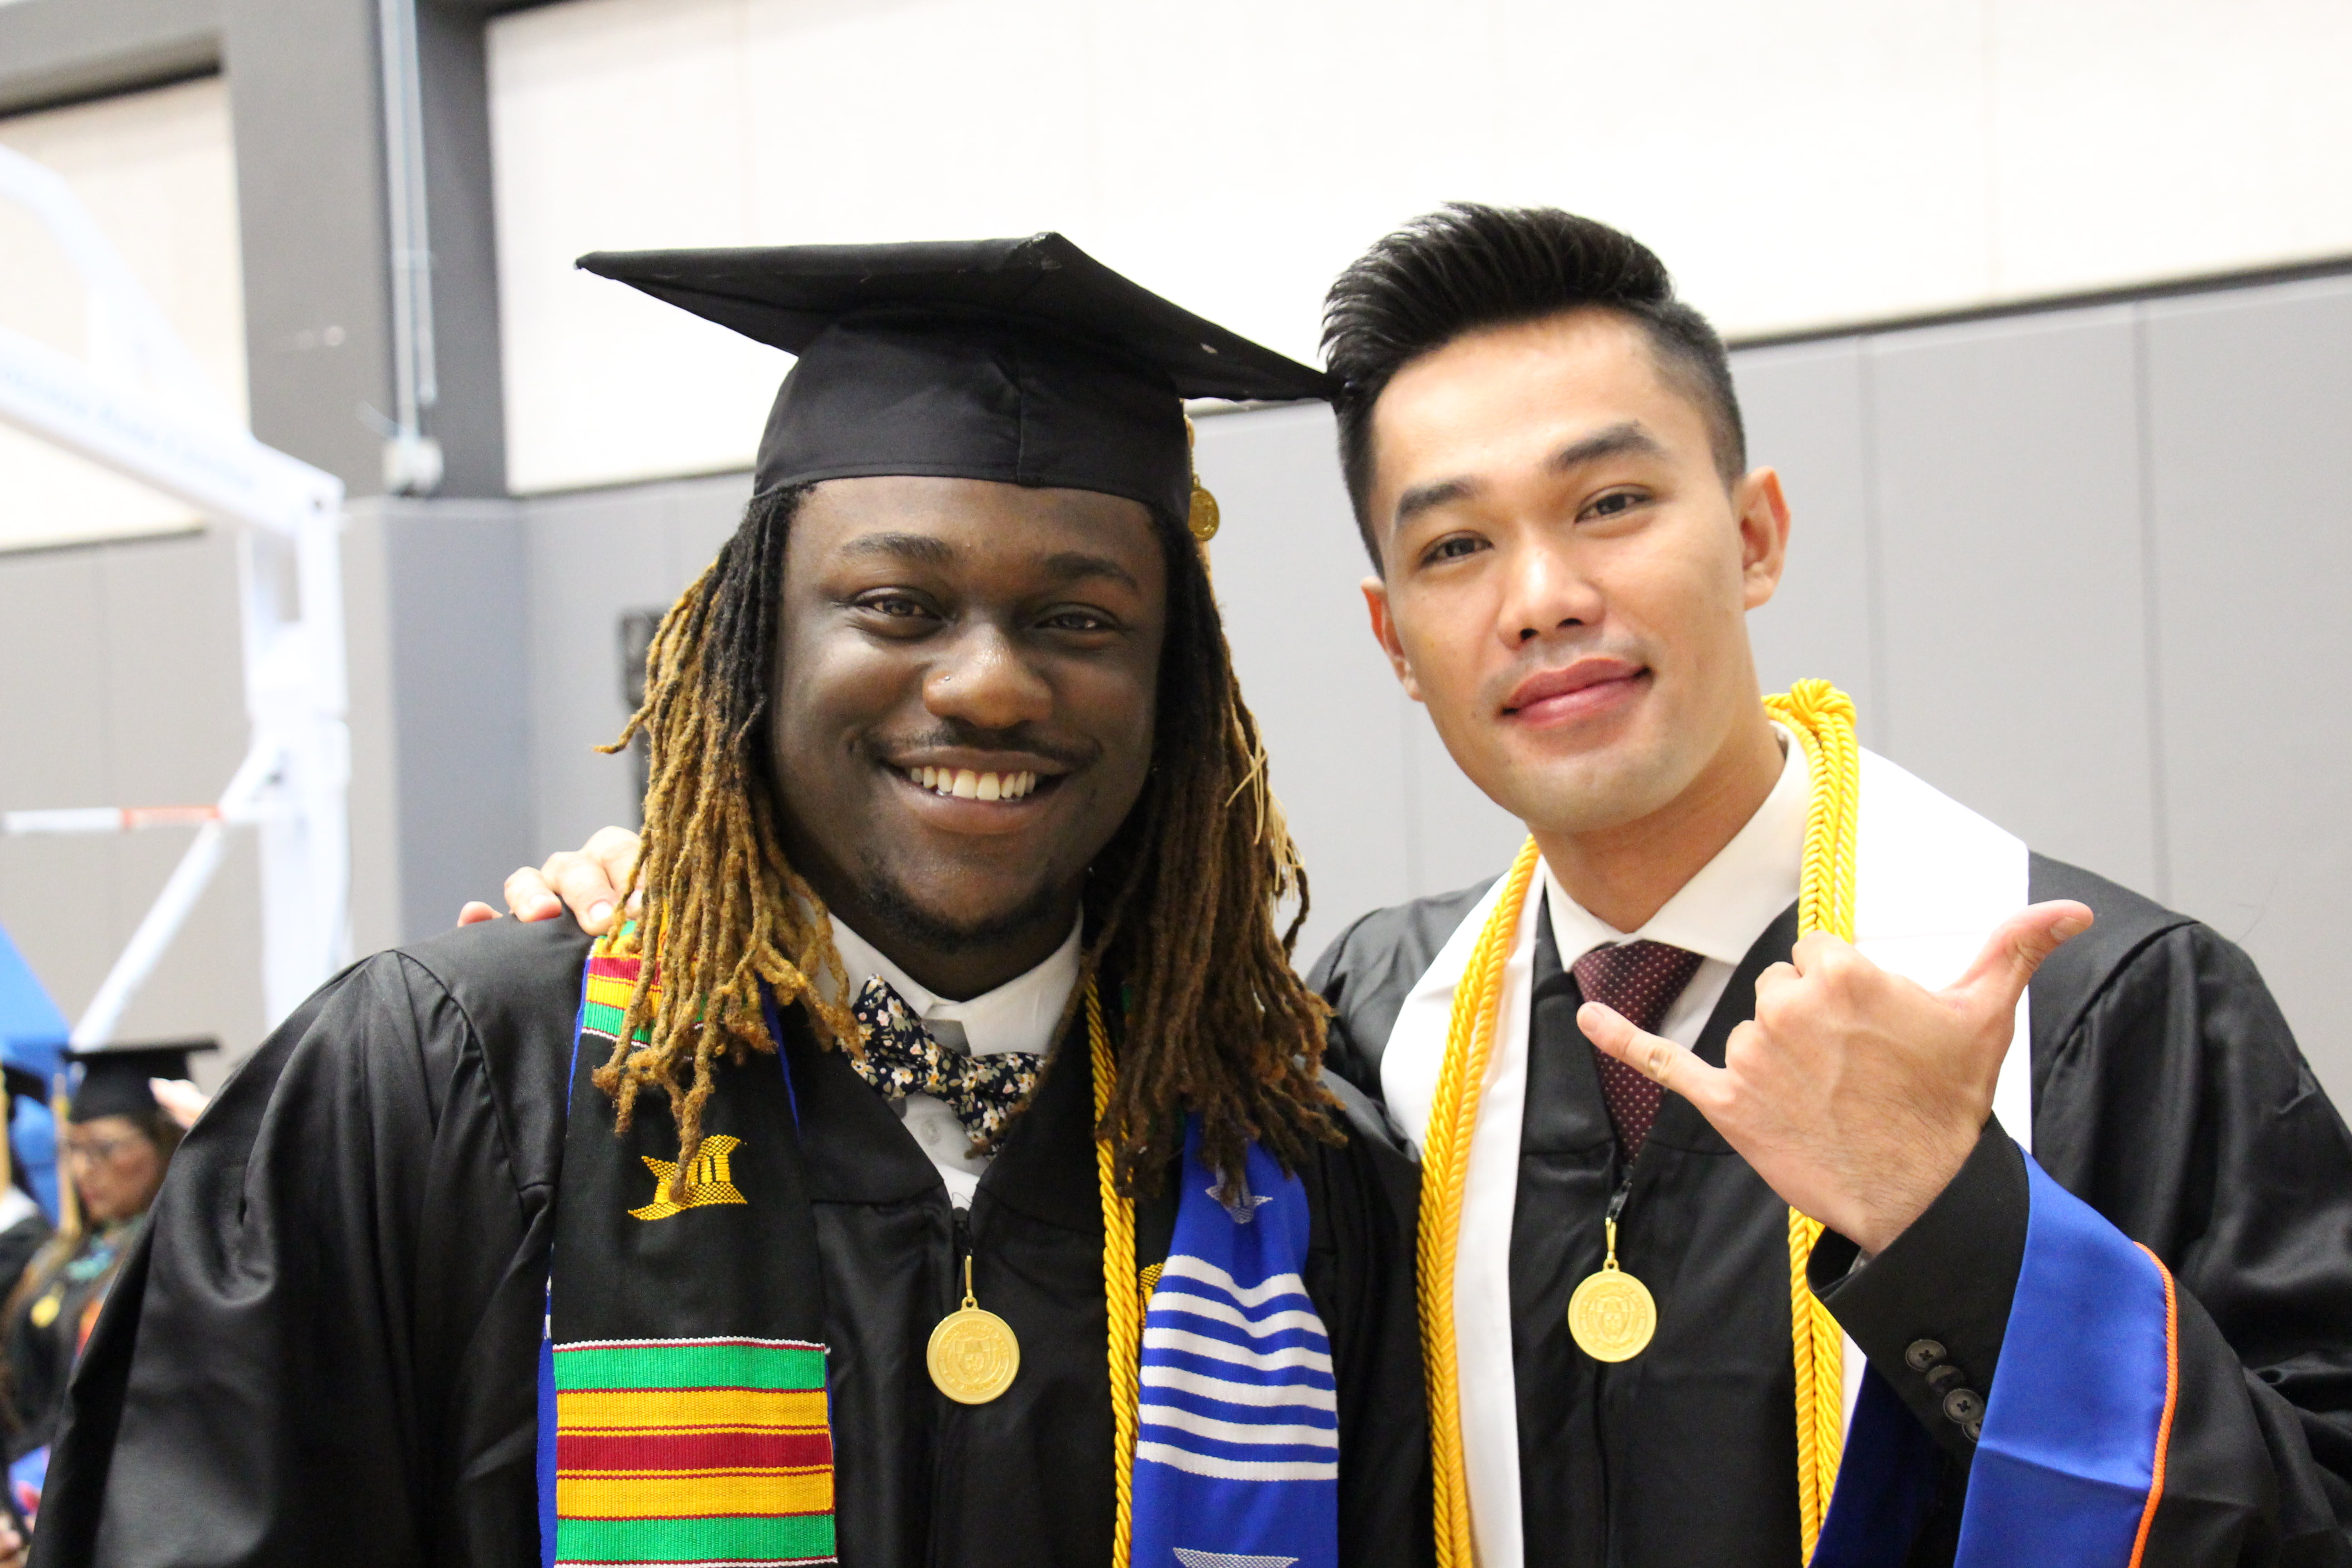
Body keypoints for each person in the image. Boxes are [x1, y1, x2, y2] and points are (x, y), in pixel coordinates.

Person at [510, 204, 2352, 1568]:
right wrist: (687, 886)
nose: (1542, 597)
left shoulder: (2092, 1011)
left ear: (1755, 534)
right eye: (1456, 543)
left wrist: (1963, 1229)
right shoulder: (1376, 1027)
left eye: (1610, 503)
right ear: (1395, 639)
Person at [34, 235, 1429, 1568]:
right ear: (757, 639)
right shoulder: (446, 1092)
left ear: (1172, 686)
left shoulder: (1291, 1174)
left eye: (1081, 621)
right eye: (897, 604)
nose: (991, 686)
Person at [3, 1042, 208, 1518]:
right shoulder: (59, 1257)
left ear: (165, 1143)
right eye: (73, 1149)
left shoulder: (180, 1259)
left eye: (104, 1148)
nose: (82, 1169)